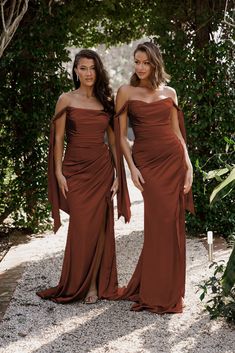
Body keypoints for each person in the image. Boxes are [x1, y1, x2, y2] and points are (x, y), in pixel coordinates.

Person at [37, 49, 130, 304]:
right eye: (83, 68)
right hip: (74, 170)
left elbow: (113, 143)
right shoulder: (65, 99)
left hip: (101, 170)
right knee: (81, 227)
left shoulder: (106, 101)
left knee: (98, 227)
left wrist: (118, 176)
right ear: (75, 71)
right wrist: (58, 172)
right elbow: (57, 139)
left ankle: (92, 286)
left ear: (97, 70)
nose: (88, 73)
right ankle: (75, 281)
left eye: (92, 68)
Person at [114, 42, 194, 313]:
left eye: (145, 62)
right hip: (147, 161)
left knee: (171, 223)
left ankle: (169, 291)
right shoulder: (125, 92)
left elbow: (177, 133)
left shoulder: (170, 92)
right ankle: (155, 290)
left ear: (155, 63)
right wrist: (131, 167)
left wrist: (189, 165)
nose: (140, 67)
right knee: (158, 220)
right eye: (137, 62)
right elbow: (121, 136)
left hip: (173, 160)